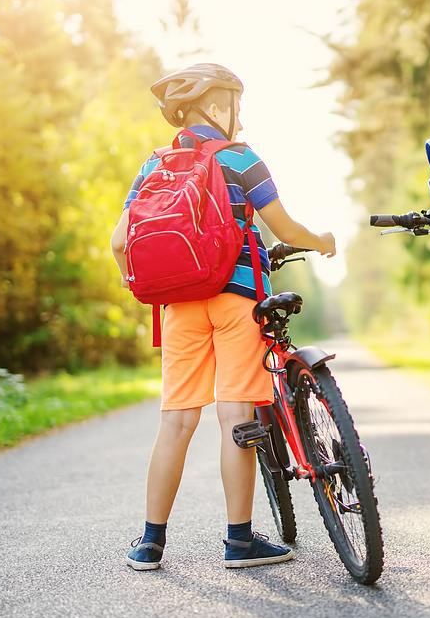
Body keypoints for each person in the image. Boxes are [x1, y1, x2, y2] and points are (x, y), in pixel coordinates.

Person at [110, 63, 336, 571]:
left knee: (176, 422)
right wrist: (321, 241)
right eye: (236, 104)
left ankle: (150, 544)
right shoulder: (240, 157)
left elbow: (119, 242)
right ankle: (239, 542)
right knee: (235, 416)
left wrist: (141, 287)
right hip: (237, 300)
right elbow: (284, 226)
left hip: (177, 307)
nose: (240, 115)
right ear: (216, 107)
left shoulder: (153, 166)